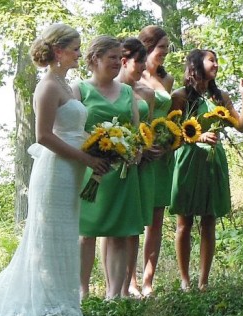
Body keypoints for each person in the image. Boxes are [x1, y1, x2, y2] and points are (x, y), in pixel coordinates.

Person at [0, 23, 109, 316]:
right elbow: (44, 135)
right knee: (49, 241)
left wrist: (106, 147)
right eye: (74, 48)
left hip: (71, 172)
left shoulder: (66, 84)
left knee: (64, 239)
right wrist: (87, 158)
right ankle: (45, 308)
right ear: (59, 51)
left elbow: (72, 130)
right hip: (54, 173)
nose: (79, 53)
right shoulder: (47, 86)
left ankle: (63, 305)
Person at [170, 50, 243, 290]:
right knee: (184, 222)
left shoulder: (220, 97)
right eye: (211, 60)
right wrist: (196, 137)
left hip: (214, 162)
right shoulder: (180, 96)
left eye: (216, 61)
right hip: (187, 161)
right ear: (196, 64)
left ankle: (203, 281)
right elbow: (171, 134)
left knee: (209, 221)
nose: (216, 64)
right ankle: (185, 280)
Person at [74, 36, 142, 300]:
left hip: (123, 171)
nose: (118, 62)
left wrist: (135, 151)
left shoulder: (127, 92)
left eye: (119, 57)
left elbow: (136, 131)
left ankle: (114, 294)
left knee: (118, 232)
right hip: (92, 170)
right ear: (94, 59)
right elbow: (71, 129)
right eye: (112, 57)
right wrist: (89, 153)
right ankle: (82, 290)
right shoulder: (79, 90)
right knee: (86, 233)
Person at [103, 37, 156, 298]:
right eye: (139, 62)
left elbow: (148, 127)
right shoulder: (109, 90)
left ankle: (129, 284)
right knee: (111, 225)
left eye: (146, 61)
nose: (144, 67)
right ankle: (113, 286)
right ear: (125, 61)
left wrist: (146, 148)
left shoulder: (147, 93)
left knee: (133, 224)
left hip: (141, 161)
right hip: (110, 161)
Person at [132, 24, 174, 298]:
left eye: (167, 50)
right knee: (134, 219)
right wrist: (141, 146)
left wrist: (170, 140)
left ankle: (148, 280)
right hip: (139, 156)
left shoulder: (167, 80)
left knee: (156, 221)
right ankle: (129, 282)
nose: (165, 54)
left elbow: (173, 116)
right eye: (162, 49)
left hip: (163, 158)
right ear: (147, 47)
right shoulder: (132, 78)